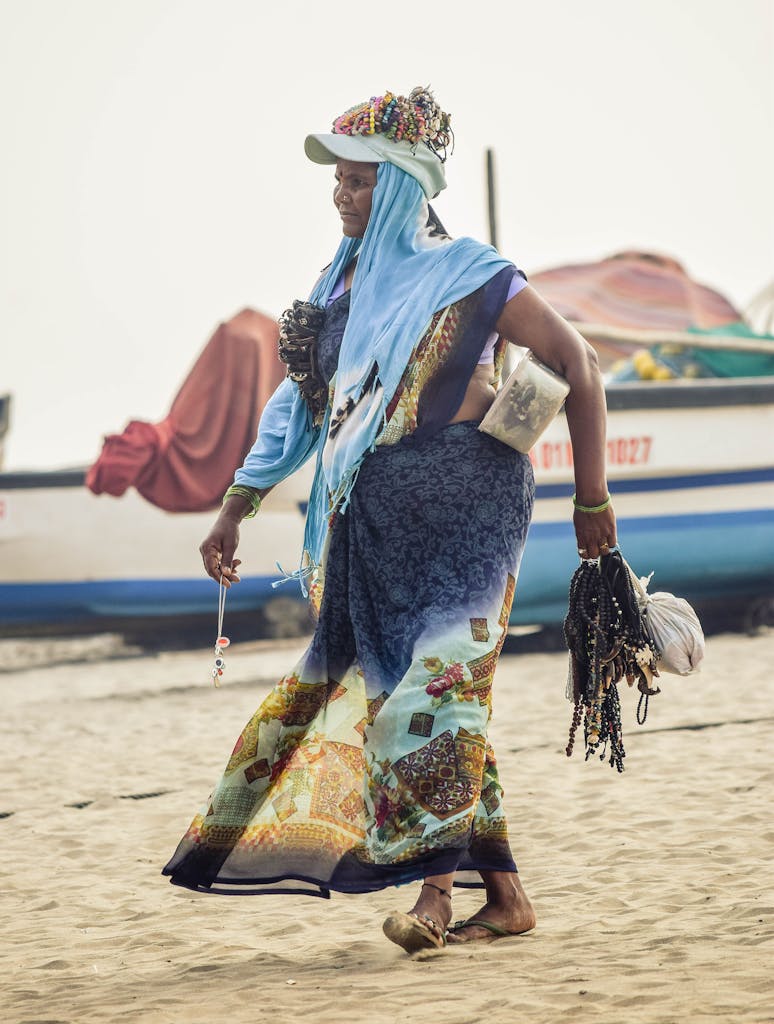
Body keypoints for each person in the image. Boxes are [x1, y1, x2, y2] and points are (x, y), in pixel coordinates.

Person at [162, 87, 617, 953]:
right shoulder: (338, 291)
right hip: (373, 525)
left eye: (360, 181)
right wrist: (234, 507)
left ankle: (436, 900)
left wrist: (591, 497)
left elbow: (578, 362)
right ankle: (508, 900)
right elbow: (299, 415)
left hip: (470, 507)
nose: (340, 195)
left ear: (406, 186)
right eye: (337, 181)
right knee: (413, 696)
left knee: (433, 693)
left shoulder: (474, 275)